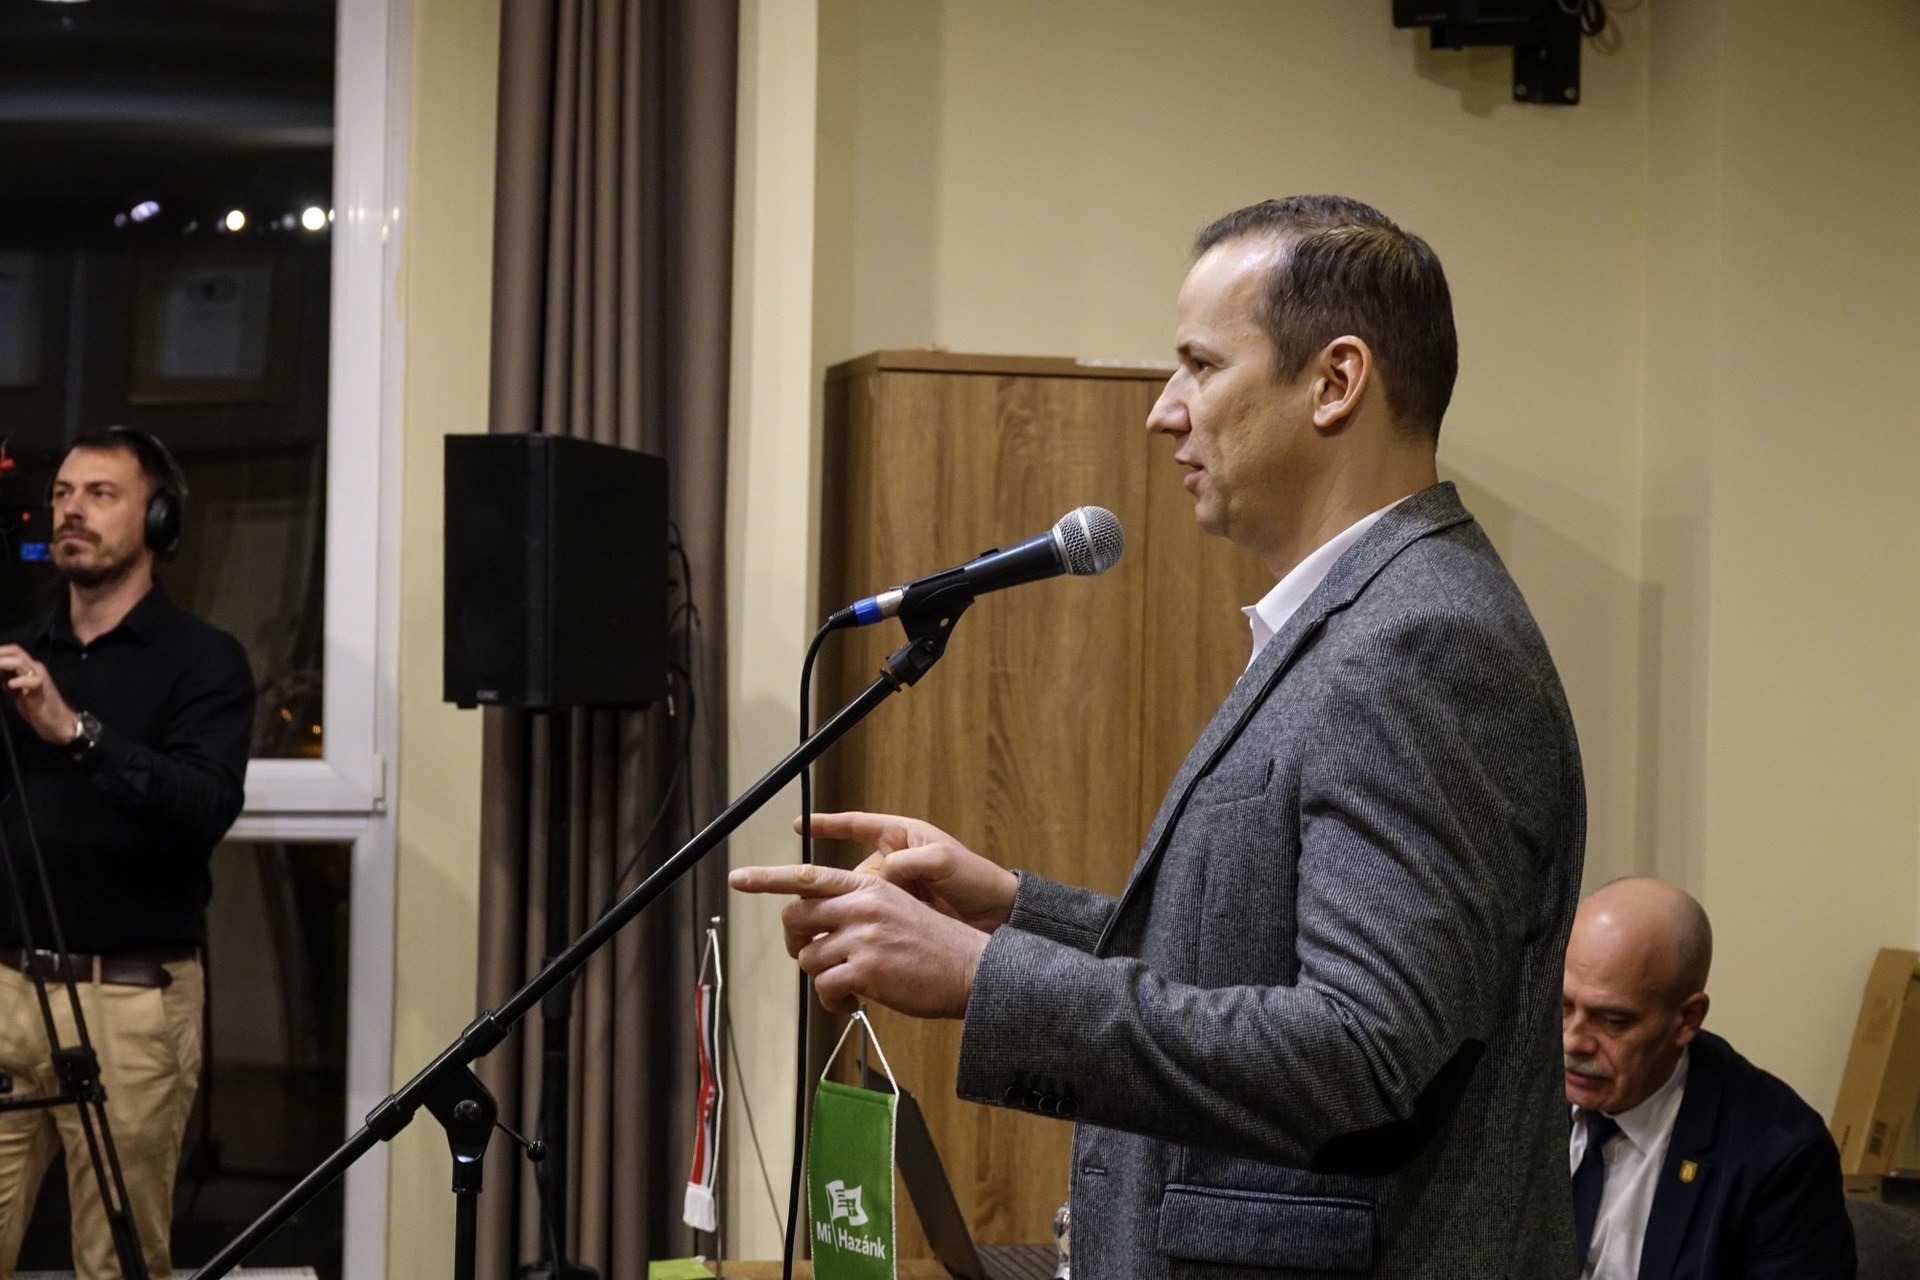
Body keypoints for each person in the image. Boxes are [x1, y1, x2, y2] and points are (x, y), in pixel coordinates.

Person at [733, 196, 1587, 1276]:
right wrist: (1015, 910)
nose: (1163, 412)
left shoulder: (1423, 642)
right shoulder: (1363, 620)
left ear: (1335, 382)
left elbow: (1361, 1053)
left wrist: (985, 975)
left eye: (1199, 366)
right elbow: (1253, 964)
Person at [0, 428, 253, 1280]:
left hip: (131, 1002)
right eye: (63, 493)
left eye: (101, 494)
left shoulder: (204, 661)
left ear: (159, 518)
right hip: (6, 990)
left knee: (118, 1264)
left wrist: (74, 730)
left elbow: (203, 806)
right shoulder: (18, 653)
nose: (72, 509)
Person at [1562, 878, 1855, 1279]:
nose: (1573, 1041)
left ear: (1687, 1019)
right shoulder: (1508, 1097)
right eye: (1563, 1006)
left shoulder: (1780, 1157)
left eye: (1613, 1021)